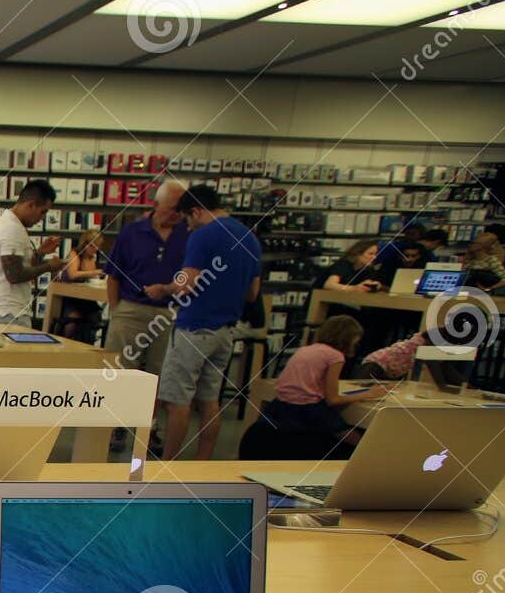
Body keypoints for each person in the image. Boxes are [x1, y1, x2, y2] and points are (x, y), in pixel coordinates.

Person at [155, 185, 261, 462]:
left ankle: (168, 463)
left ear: (196, 211)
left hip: (195, 326)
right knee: (210, 399)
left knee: (176, 400)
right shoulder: (249, 237)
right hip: (226, 331)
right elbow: (252, 293)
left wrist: (164, 289)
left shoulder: (204, 235)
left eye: (188, 220)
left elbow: (186, 285)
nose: (188, 227)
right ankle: (202, 463)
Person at [103, 181, 189, 446]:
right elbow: (113, 275)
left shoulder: (188, 233)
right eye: (173, 209)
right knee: (119, 370)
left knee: (157, 376)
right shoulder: (132, 232)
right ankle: (114, 426)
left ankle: (147, 429)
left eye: (182, 210)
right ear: (157, 204)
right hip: (131, 309)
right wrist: (117, 311)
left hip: (169, 313)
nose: (177, 214)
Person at [249, 316, 383, 458]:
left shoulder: (306, 349)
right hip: (305, 408)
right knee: (350, 435)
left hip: (281, 404)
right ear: (348, 338)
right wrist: (369, 394)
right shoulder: (335, 356)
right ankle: (373, 456)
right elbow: (333, 400)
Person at [0, 179, 70, 330]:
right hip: (8, 315)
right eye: (43, 212)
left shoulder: (8, 225)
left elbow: (16, 266)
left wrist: (40, 253)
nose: (42, 218)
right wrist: (49, 266)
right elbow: (14, 275)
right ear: (31, 204)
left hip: (2, 311)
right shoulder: (11, 229)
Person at [54, 226, 104, 342]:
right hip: (70, 297)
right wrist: (95, 272)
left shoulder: (91, 259)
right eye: (92, 245)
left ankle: (88, 344)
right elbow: (73, 274)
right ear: (85, 244)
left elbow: (91, 278)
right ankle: (65, 345)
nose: (94, 249)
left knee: (95, 317)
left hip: (85, 297)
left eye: (97, 246)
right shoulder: (74, 254)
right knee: (72, 321)